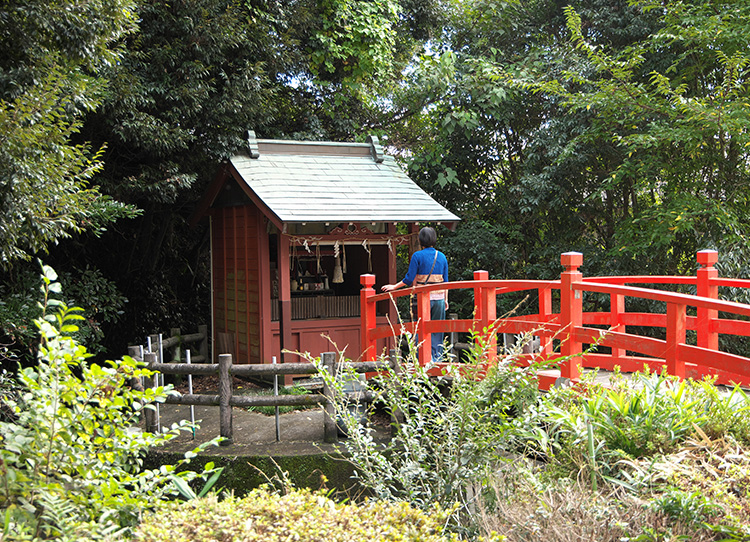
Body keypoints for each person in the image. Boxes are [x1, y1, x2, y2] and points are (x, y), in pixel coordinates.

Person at [382, 226, 449, 362]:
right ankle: (437, 360)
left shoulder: (417, 256)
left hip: (423, 297)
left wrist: (394, 287)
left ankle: (421, 360)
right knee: (437, 329)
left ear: (420, 240)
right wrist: (446, 299)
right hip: (439, 297)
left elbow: (408, 279)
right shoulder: (441, 256)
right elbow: (446, 281)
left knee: (420, 327)